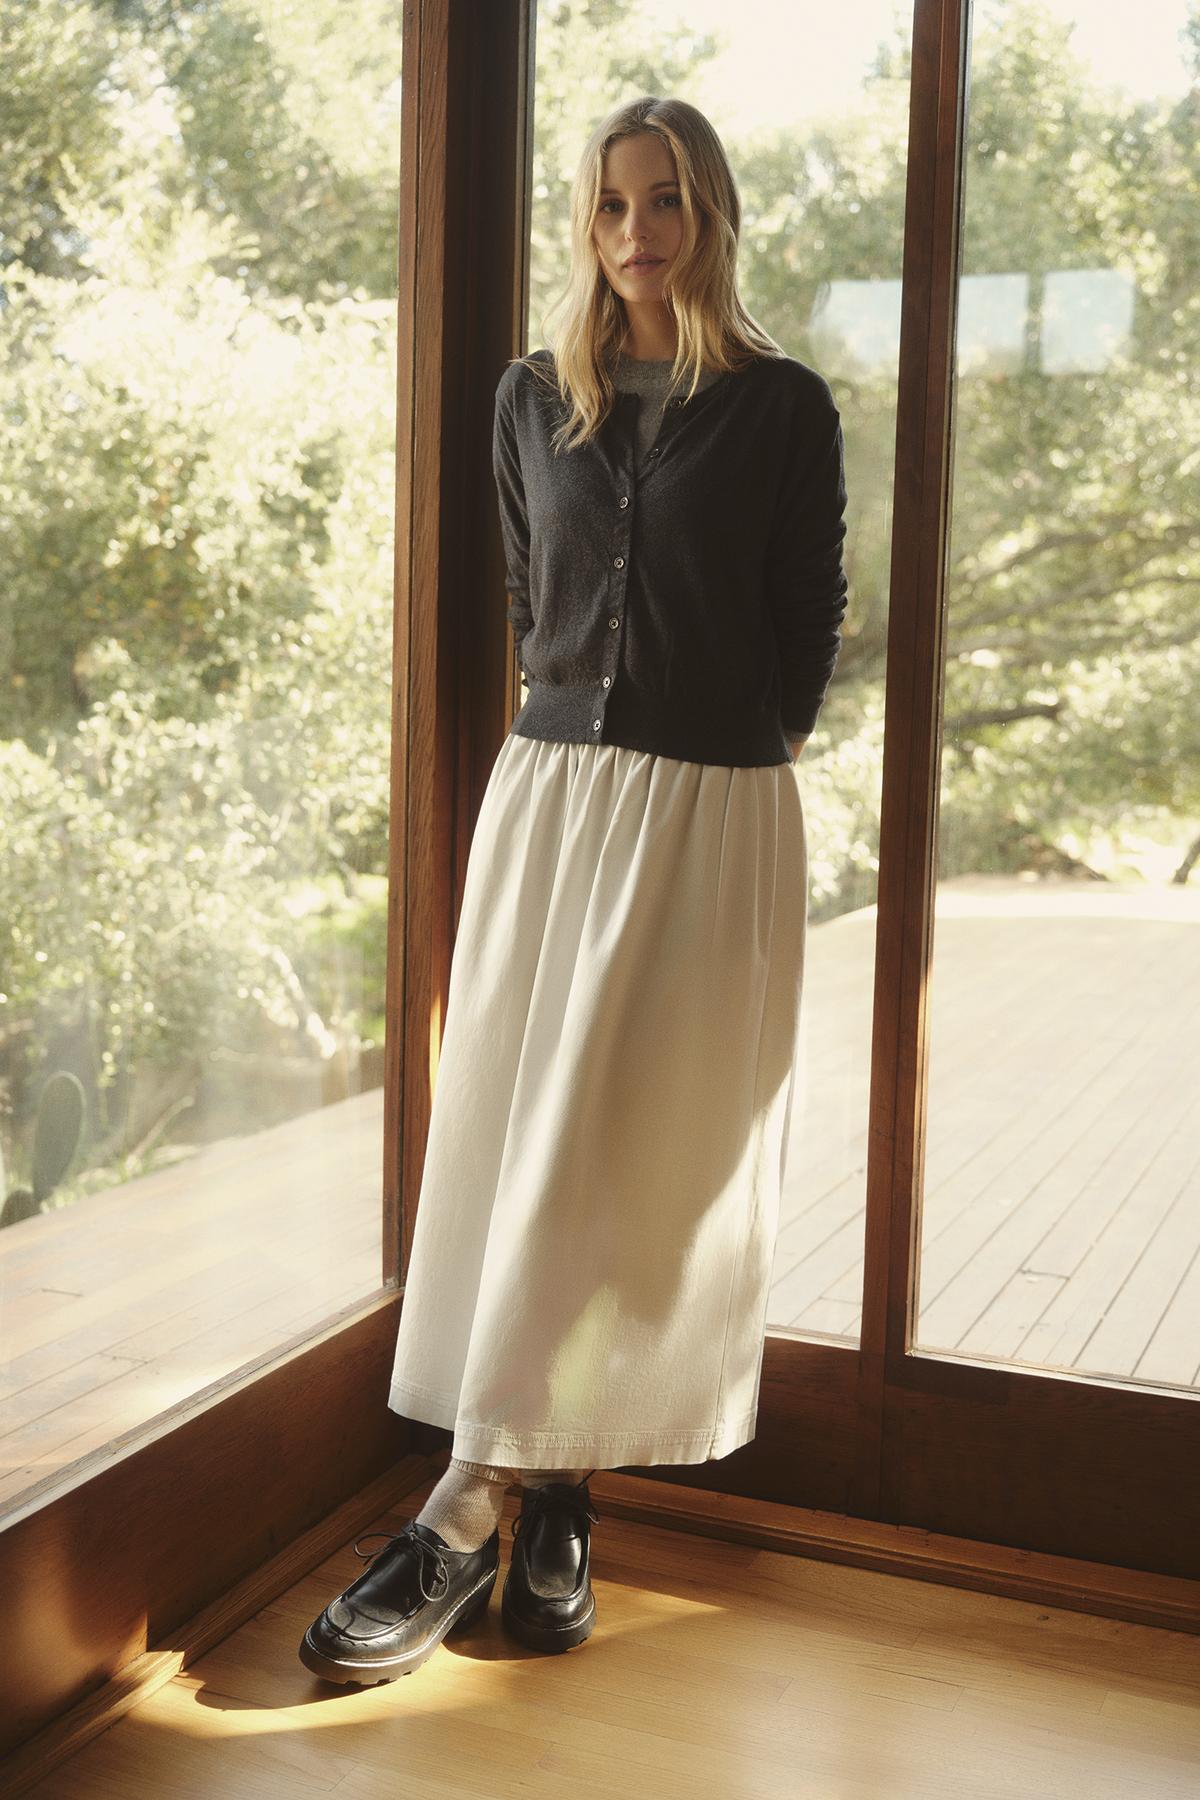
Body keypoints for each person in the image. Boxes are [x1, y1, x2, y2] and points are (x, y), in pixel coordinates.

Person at [299, 92, 849, 1686]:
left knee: (634, 1148)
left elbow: (805, 619)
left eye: (665, 202)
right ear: (587, 223)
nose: (635, 235)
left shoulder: (784, 406)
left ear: (712, 214)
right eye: (611, 206)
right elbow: (533, 592)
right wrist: (585, 741)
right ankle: (547, 1500)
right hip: (549, 802)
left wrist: (712, 753)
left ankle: (477, 1502)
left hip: (709, 809)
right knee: (534, 1131)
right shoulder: (533, 397)